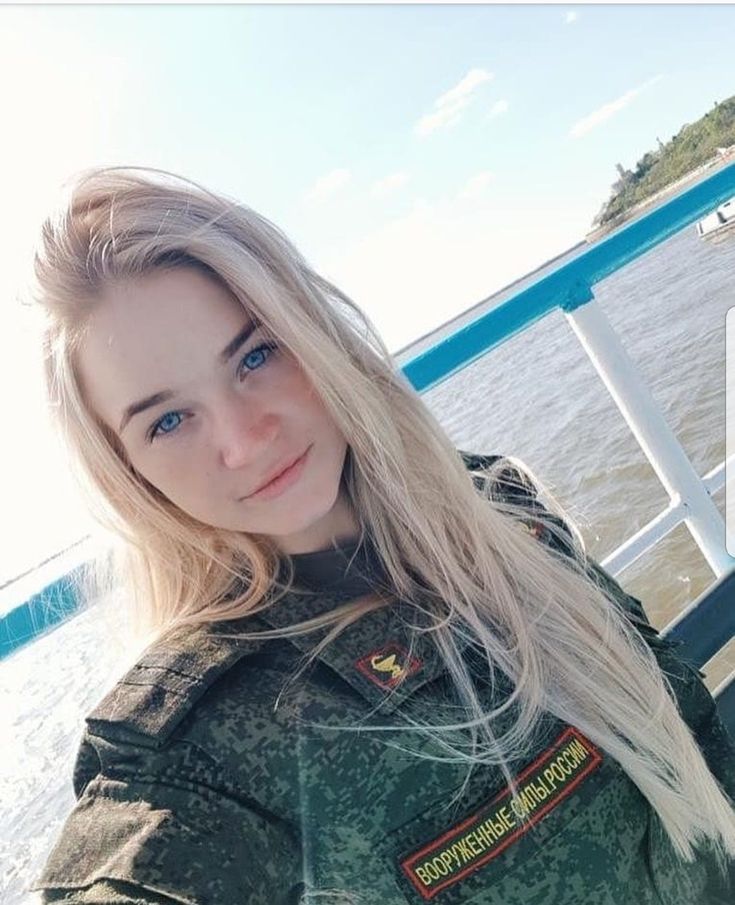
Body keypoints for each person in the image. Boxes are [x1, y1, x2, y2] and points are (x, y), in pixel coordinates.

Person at [26, 165, 734, 905]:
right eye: (167, 420)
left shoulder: (496, 506)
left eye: (255, 356)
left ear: (314, 333)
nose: (243, 441)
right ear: (127, 469)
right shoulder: (211, 746)